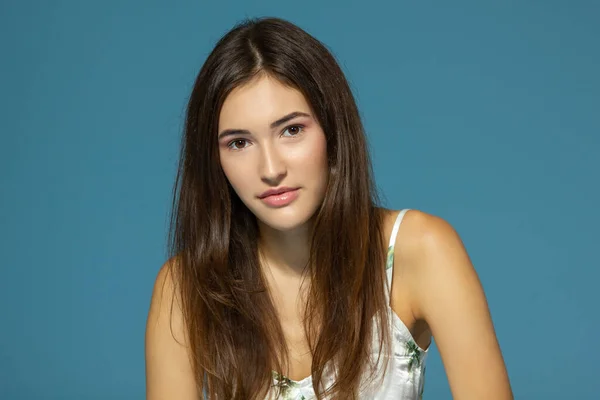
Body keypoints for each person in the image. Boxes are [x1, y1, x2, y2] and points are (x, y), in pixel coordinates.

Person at [145, 17, 513, 400]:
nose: (271, 169)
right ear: (213, 160)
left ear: (333, 131)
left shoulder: (419, 249)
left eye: (291, 130)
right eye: (239, 143)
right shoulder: (186, 289)